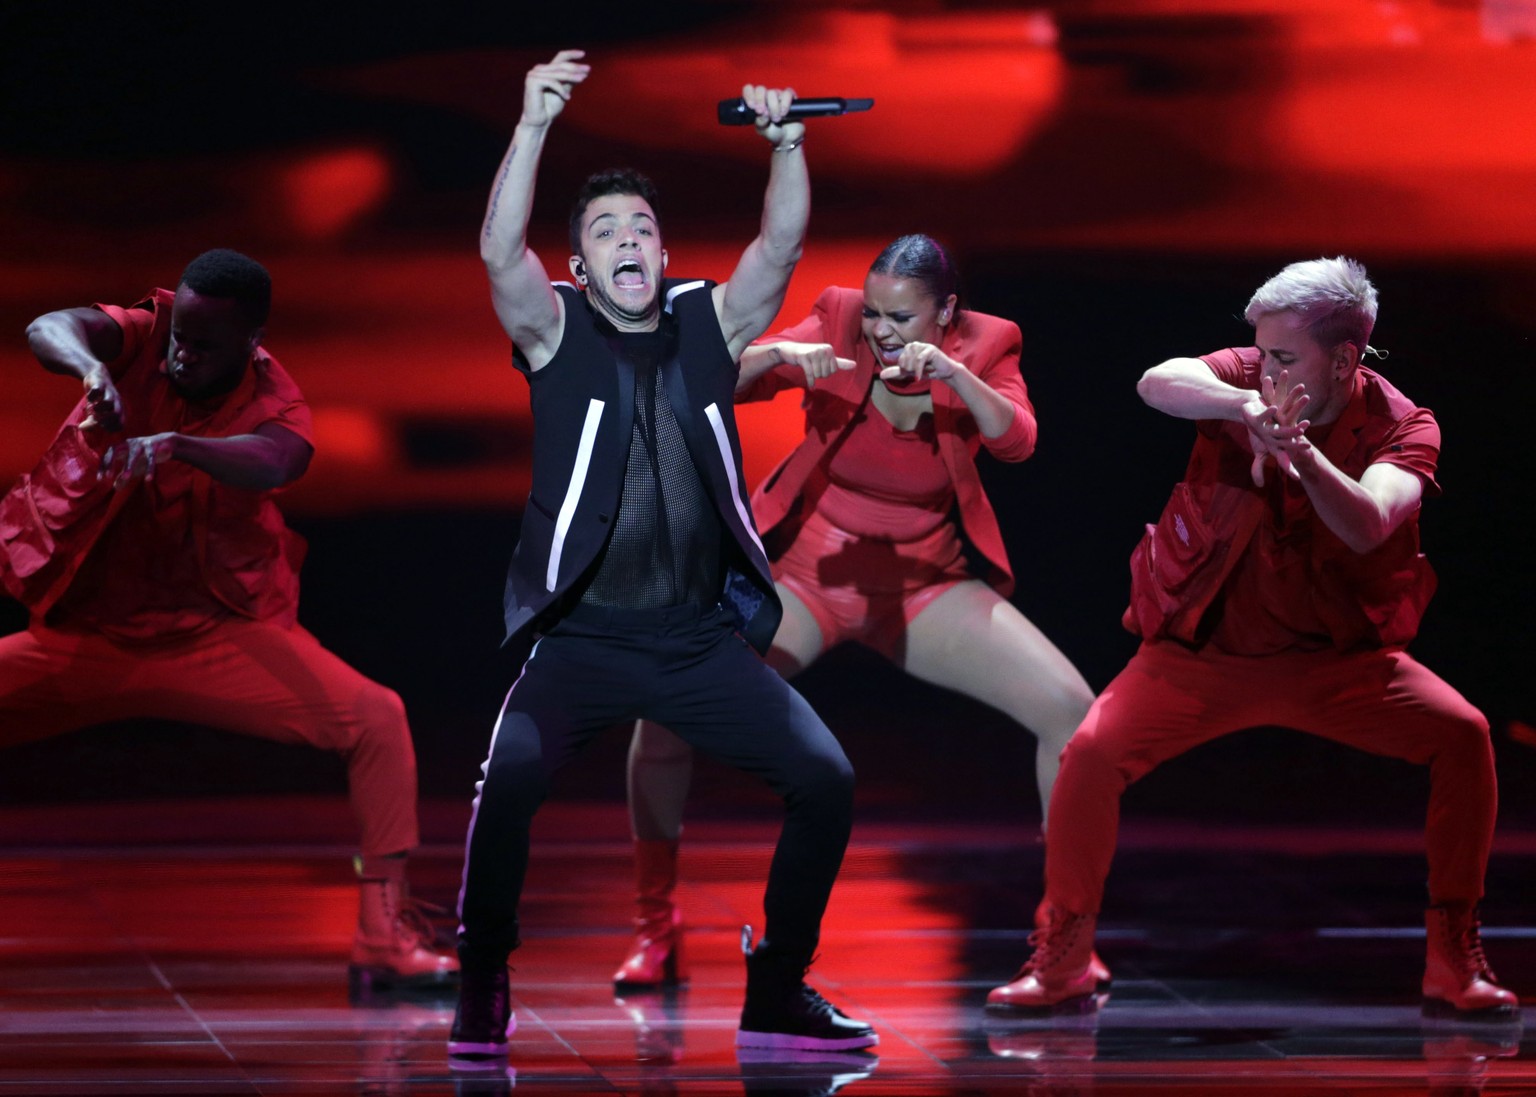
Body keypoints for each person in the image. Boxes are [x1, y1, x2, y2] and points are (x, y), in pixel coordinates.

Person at [449, 49, 877, 1067]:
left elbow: (780, 245)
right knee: (503, 787)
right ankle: (482, 974)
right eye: (605, 231)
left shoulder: (705, 322)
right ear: (583, 266)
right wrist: (533, 122)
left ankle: (776, 989)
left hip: (695, 641)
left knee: (827, 779)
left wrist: (787, 142)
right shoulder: (554, 332)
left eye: (640, 225)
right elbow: (499, 249)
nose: (627, 238)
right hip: (584, 642)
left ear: (663, 248)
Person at [986, 257, 1517, 1018]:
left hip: (1341, 667)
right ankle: (1065, 952)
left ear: (1343, 358)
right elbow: (1156, 381)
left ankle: (1452, 956)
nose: (1264, 367)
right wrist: (1244, 408)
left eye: (1282, 357)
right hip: (1200, 661)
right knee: (1091, 754)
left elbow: (1370, 523)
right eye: (1259, 352)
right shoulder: (1248, 379)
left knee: (1464, 735)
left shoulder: (1405, 423)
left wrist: (1301, 452)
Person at [614, 234, 1098, 990]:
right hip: (808, 579)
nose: (880, 330)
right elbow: (711, 387)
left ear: (947, 313)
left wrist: (957, 375)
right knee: (665, 713)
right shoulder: (839, 319)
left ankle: (1066, 942)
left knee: (1074, 714)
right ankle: (654, 925)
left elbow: (1018, 442)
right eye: (874, 313)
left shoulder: (988, 343)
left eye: (900, 317)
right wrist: (774, 356)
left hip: (923, 585)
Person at [0, 249, 456, 994]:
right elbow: (50, 325)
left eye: (206, 344)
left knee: (377, 719)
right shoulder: (142, 337)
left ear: (252, 343)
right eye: (182, 332)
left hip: (214, 638)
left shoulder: (276, 400)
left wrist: (181, 445)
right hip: (83, 642)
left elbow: (277, 460)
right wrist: (91, 372)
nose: (182, 351)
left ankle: (384, 934)